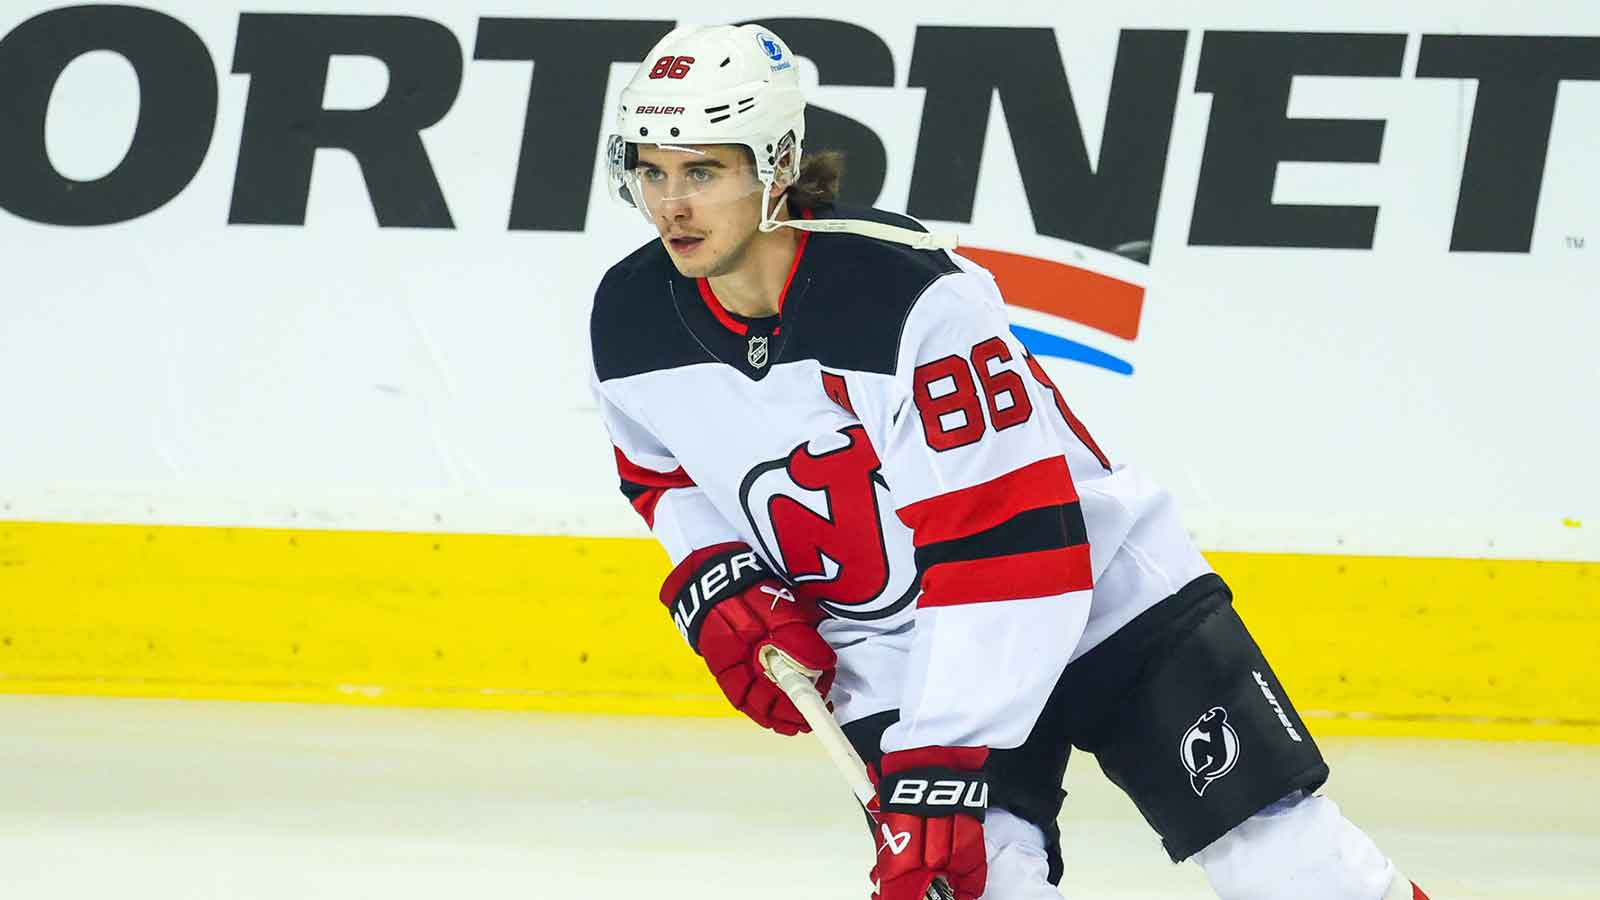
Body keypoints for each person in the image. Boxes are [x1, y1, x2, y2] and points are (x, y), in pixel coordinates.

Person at [589, 23, 1431, 900]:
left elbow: (1014, 556)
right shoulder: (628, 317)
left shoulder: (908, 297)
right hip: (905, 651)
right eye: (652, 171)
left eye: (703, 172)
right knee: (970, 884)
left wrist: (941, 754)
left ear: (776, 164)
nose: (671, 205)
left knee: (1288, 864)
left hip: (1104, 602)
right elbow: (661, 470)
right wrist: (718, 573)